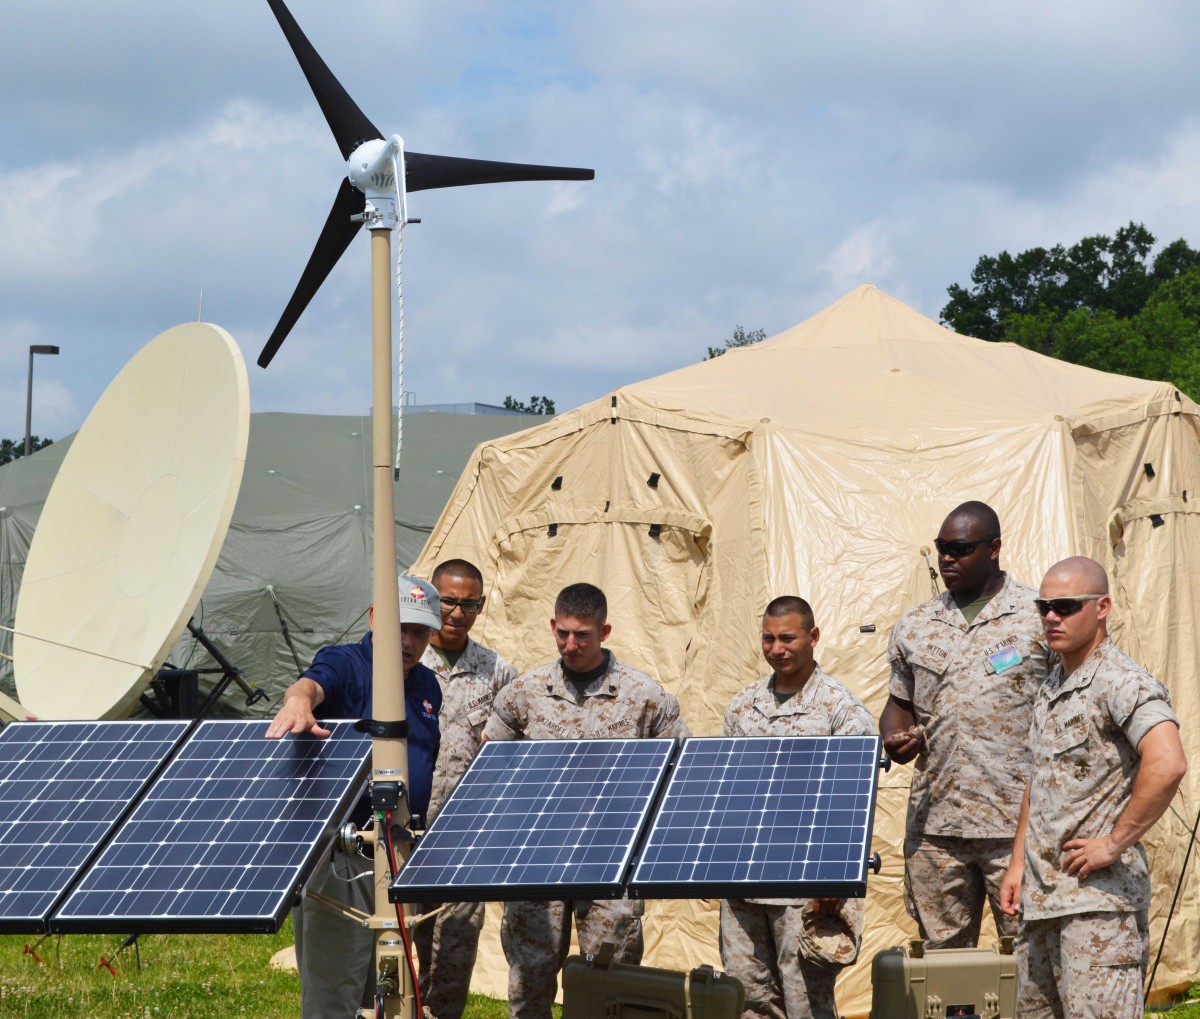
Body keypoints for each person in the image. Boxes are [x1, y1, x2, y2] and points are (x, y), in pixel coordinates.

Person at [484, 582, 689, 1019]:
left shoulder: (644, 696)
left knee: (609, 984)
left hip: (612, 858)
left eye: (582, 635)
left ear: (605, 631)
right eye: (562, 633)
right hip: (537, 859)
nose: (570, 645)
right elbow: (490, 769)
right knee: (530, 979)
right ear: (553, 627)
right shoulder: (526, 691)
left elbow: (679, 769)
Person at [999, 557, 1185, 1018]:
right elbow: (1039, 778)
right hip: (1042, 904)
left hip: (1097, 908)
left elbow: (1168, 763)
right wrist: (1018, 862)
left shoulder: (1121, 681)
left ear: (1102, 607)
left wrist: (1114, 842)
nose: (1051, 617)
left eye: (1065, 606)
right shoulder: (1053, 684)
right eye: (1044, 606)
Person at [266, 575, 443, 1019]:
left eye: (419, 631)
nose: (406, 641)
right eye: (397, 627)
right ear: (372, 618)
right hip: (345, 861)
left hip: (399, 856)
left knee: (390, 991)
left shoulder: (428, 686)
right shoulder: (346, 664)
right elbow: (312, 684)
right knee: (335, 997)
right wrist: (298, 701)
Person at [879, 501, 1050, 948]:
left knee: (1028, 951)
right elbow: (899, 704)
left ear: (994, 548)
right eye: (941, 548)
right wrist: (894, 735)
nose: (947, 558)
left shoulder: (1039, 618)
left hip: (1014, 826)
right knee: (945, 964)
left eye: (961, 548)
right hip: (937, 828)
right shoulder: (916, 626)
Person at [721, 596, 873, 1019]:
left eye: (787, 638)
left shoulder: (841, 712)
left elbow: (851, 801)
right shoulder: (742, 706)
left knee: (805, 999)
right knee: (748, 995)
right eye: (768, 639)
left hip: (806, 884)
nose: (777, 648)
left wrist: (834, 875)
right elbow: (727, 791)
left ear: (813, 638)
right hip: (745, 878)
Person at [414, 559, 518, 1019]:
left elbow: (509, 752)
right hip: (404, 830)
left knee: (456, 945)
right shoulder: (404, 659)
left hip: (465, 833)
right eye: (449, 602)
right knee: (398, 940)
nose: (458, 613)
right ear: (433, 600)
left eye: (469, 604)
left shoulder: (497, 672)